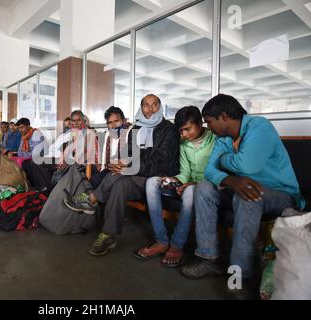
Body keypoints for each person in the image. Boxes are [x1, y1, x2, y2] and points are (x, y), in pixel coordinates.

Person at [181, 94, 305, 294]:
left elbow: (248, 166)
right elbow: (209, 172)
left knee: (246, 195)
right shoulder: (223, 139)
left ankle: (240, 273)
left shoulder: (260, 127)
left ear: (224, 117)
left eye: (210, 122)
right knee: (203, 187)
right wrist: (230, 179)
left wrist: (223, 161)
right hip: (242, 188)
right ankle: (209, 257)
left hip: (282, 194)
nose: (208, 127)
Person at [64, 94, 180, 256]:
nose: (151, 109)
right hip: (136, 178)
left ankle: (91, 199)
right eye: (146, 105)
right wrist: (124, 163)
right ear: (141, 107)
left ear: (160, 107)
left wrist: (130, 166)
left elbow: (163, 161)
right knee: (120, 184)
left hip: (157, 178)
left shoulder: (168, 130)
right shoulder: (137, 128)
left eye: (155, 105)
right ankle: (108, 235)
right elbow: (130, 153)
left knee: (119, 174)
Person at [134, 106, 215, 267]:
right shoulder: (184, 143)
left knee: (191, 191)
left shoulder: (215, 139)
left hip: (206, 186)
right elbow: (185, 172)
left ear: (200, 123)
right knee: (152, 182)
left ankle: (177, 245)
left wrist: (193, 183)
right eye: (181, 131)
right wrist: (173, 179)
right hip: (186, 183)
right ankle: (161, 240)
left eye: (187, 129)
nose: (183, 135)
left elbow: (218, 171)